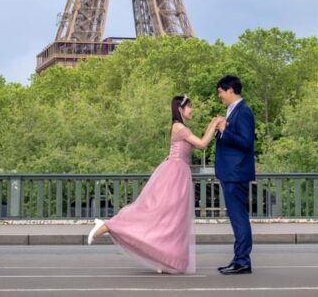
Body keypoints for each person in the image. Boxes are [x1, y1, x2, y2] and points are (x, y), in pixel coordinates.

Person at [86, 95, 221, 274]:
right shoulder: (179, 127)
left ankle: (164, 257)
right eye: (190, 106)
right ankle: (108, 225)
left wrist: (212, 124)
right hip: (174, 174)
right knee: (160, 213)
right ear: (180, 109)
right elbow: (203, 144)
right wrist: (214, 124)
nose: (192, 109)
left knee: (172, 218)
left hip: (178, 173)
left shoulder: (181, 127)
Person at [213, 74, 255, 275]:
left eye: (221, 92)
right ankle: (238, 259)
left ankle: (242, 261)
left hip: (236, 173)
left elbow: (246, 142)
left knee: (239, 217)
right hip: (230, 172)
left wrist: (224, 130)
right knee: (237, 217)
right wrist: (221, 128)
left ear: (230, 90)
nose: (220, 96)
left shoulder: (243, 111)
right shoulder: (233, 111)